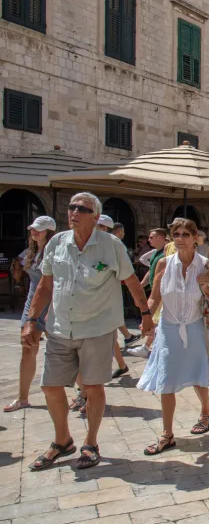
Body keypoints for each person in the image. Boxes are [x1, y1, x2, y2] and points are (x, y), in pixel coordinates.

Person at [22, 192, 154, 471]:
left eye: (81, 208)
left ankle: (91, 442)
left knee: (93, 387)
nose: (74, 212)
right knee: (50, 386)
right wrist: (33, 320)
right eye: (71, 207)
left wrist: (145, 315)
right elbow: (45, 285)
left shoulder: (111, 245)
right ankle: (62, 440)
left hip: (96, 327)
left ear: (95, 217)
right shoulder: (57, 243)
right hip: (60, 327)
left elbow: (131, 282)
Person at [138, 218, 209, 455]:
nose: (180, 239)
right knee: (166, 379)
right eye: (176, 234)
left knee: (198, 374)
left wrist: (207, 288)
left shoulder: (206, 265)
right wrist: (147, 316)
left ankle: (206, 412)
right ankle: (167, 434)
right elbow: (155, 296)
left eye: (186, 234)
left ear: (195, 237)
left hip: (195, 326)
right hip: (169, 327)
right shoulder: (164, 264)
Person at [5, 216, 56, 412]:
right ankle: (22, 397)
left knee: (61, 351)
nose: (34, 232)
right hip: (32, 304)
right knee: (27, 348)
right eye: (33, 229)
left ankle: (84, 393)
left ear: (49, 232)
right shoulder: (31, 251)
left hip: (50, 305)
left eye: (39, 229)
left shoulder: (55, 251)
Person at [96, 217, 132, 379]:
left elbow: (112, 267)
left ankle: (101, 372)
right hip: (94, 297)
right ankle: (121, 365)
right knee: (108, 336)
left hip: (108, 295)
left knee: (107, 335)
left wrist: (94, 267)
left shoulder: (114, 245)